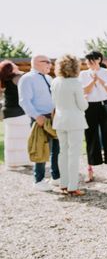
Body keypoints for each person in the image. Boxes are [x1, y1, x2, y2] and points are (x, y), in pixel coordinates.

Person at [79, 51, 107, 182]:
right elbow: (84, 91)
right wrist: (92, 81)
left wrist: (100, 80)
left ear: (99, 59)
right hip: (89, 107)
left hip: (105, 106)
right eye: (87, 61)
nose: (89, 63)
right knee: (90, 137)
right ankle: (90, 170)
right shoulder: (83, 74)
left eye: (91, 60)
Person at [18, 54, 60, 191]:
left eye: (50, 62)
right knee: (40, 148)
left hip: (53, 118)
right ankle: (39, 180)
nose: (50, 64)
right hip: (40, 119)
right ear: (36, 62)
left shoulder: (49, 78)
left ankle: (56, 177)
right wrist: (37, 116)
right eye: (47, 62)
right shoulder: (27, 78)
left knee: (56, 148)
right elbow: (24, 101)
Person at [51, 54, 88, 196]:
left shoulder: (55, 82)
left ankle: (64, 184)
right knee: (74, 154)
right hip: (75, 121)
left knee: (63, 152)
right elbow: (83, 106)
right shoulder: (76, 83)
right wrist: (86, 99)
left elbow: (54, 102)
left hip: (60, 120)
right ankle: (73, 187)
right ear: (75, 67)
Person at [1, 60, 31, 169]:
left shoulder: (6, 79)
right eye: (14, 65)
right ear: (11, 68)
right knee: (23, 138)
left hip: (8, 112)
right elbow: (28, 77)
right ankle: (23, 161)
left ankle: (12, 163)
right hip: (18, 112)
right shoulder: (18, 77)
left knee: (11, 139)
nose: (16, 65)